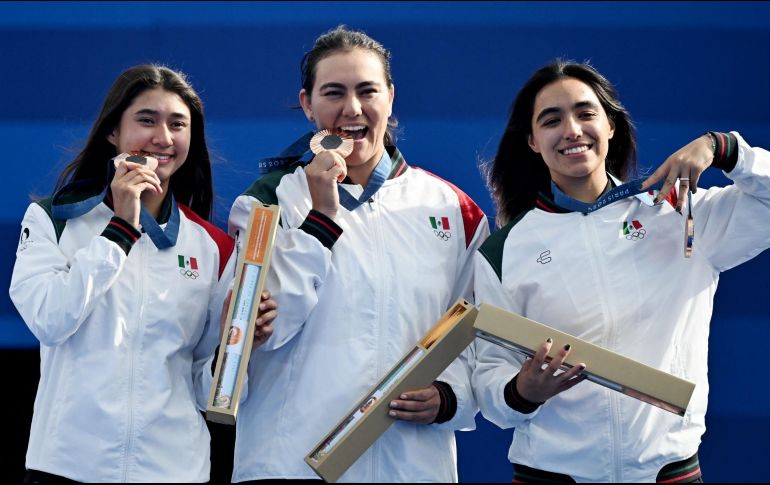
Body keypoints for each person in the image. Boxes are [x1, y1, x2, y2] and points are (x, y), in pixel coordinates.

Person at [471, 59, 770, 483]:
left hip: (668, 472)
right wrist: (522, 391)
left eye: (585, 113)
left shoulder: (677, 214)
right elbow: (489, 379)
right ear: (533, 142)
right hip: (551, 475)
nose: (572, 130)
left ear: (611, 125)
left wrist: (722, 148)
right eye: (552, 120)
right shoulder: (503, 251)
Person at [227, 25, 489, 482]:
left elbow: (475, 335)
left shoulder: (454, 210)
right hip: (290, 462)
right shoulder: (265, 203)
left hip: (412, 465)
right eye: (334, 92)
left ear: (390, 97)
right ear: (308, 104)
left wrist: (450, 395)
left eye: (367, 90)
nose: (352, 109)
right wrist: (321, 219)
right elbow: (264, 329)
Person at [9, 64, 276, 483]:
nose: (163, 138)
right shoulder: (54, 220)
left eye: (178, 124)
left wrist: (238, 346)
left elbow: (210, 393)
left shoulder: (213, 247)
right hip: (68, 466)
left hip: (174, 470)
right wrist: (120, 229)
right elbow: (50, 319)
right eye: (147, 120)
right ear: (113, 132)